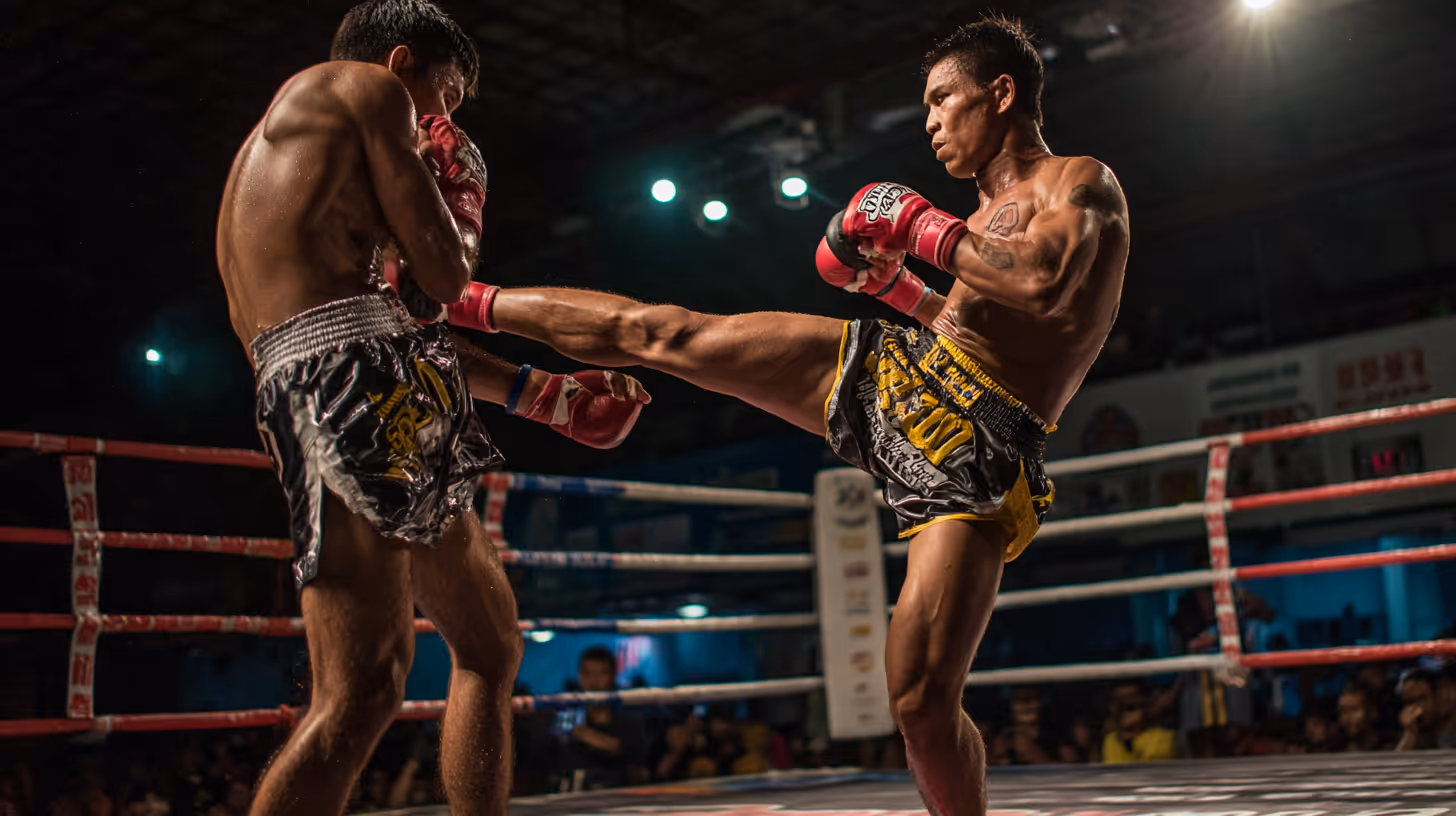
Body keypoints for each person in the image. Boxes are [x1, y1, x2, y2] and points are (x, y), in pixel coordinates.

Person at [422, 15, 1128, 815]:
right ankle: (457, 301)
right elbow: (969, 324)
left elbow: (1041, 284)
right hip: (905, 370)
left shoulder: (1081, 183)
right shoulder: (983, 209)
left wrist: (915, 223)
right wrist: (897, 290)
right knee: (670, 334)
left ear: (1000, 93)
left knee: (920, 701)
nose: (930, 121)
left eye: (942, 99)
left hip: (977, 443)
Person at [214, 2, 649, 813]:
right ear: (402, 60)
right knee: (363, 690)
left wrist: (543, 395)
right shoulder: (367, 91)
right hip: (345, 383)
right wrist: (461, 189)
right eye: (445, 96)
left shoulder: (312, 157)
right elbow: (443, 280)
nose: (443, 120)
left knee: (489, 644)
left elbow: (402, 318)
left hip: (373, 372)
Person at [560, 647, 649, 790]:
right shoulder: (569, 713)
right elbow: (557, 749)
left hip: (620, 795)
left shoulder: (629, 718)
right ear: (579, 675)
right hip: (577, 795)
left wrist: (586, 735)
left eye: (601, 673)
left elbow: (634, 755)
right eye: (587, 674)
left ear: (613, 676)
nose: (594, 681)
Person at [1100, 681, 1176, 764]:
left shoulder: (1162, 737)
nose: (1125, 715)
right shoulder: (1111, 739)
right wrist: (1125, 739)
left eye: (1131, 708)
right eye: (1120, 708)